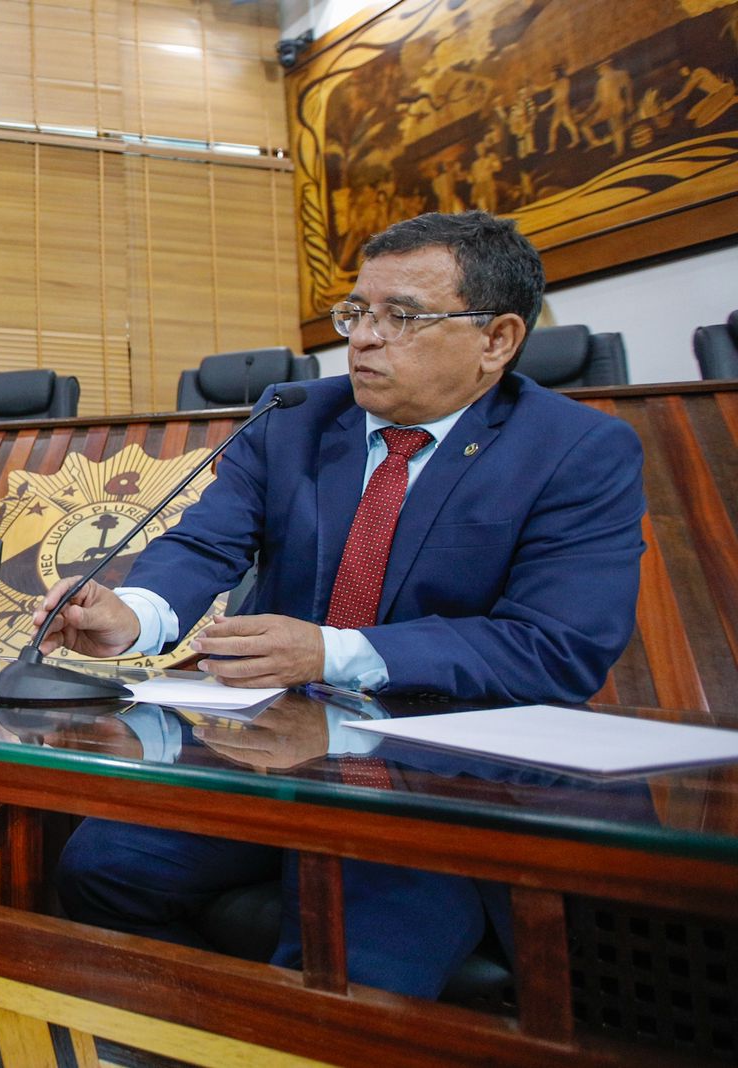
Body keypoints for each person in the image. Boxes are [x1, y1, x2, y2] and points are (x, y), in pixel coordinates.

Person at [38, 210, 646, 1000]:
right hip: (276, 754)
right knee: (99, 868)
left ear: (496, 339)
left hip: (443, 781)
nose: (362, 338)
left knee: (355, 962)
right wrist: (137, 615)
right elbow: (206, 544)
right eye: (356, 313)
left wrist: (333, 650)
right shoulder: (298, 418)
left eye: (402, 318)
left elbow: (559, 646)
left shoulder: (576, 451)